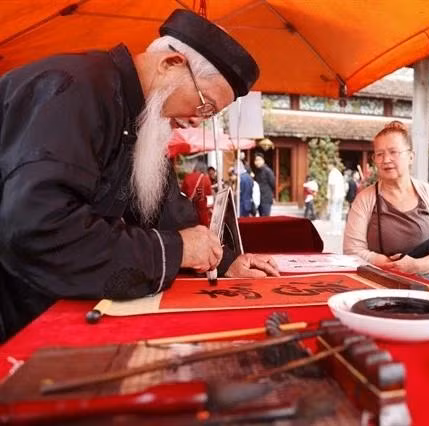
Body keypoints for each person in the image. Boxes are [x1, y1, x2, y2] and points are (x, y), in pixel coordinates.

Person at [0, 9, 280, 342]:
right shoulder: (74, 90)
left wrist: (223, 261)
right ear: (170, 64)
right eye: (205, 106)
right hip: (17, 306)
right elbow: (39, 229)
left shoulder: (141, 116)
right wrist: (176, 251)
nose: (197, 121)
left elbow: (165, 214)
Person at [344, 121, 429, 278]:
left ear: (411, 157)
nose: (386, 160)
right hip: (380, 282)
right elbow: (352, 249)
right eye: (379, 154)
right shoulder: (364, 199)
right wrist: (381, 261)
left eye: (393, 152)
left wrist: (416, 266)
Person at [181, 162, 212, 226]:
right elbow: (210, 200)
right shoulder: (206, 179)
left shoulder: (187, 177)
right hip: (202, 214)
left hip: (189, 214)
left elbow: (182, 195)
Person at [327, 161, 346, 235]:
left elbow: (332, 185)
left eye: (328, 165)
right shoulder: (339, 173)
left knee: (333, 213)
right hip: (341, 195)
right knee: (339, 213)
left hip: (335, 196)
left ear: (332, 165)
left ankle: (333, 230)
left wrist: (331, 196)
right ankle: (338, 230)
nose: (328, 167)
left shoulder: (332, 173)